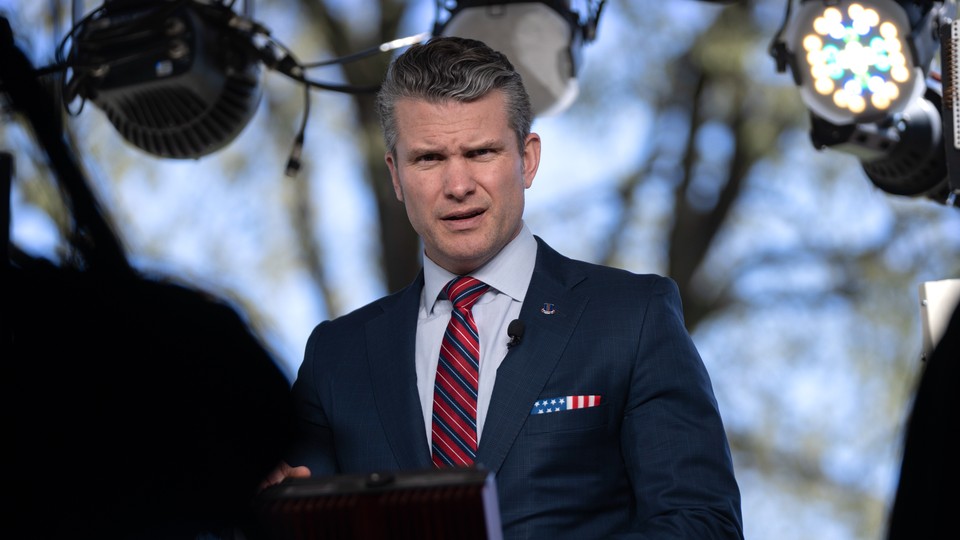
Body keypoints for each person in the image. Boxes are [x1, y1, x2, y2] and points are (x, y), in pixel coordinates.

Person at [263, 35, 743, 539]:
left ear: (528, 158)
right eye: (429, 159)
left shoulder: (631, 317)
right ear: (396, 174)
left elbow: (701, 525)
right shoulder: (336, 357)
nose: (459, 184)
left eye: (481, 152)